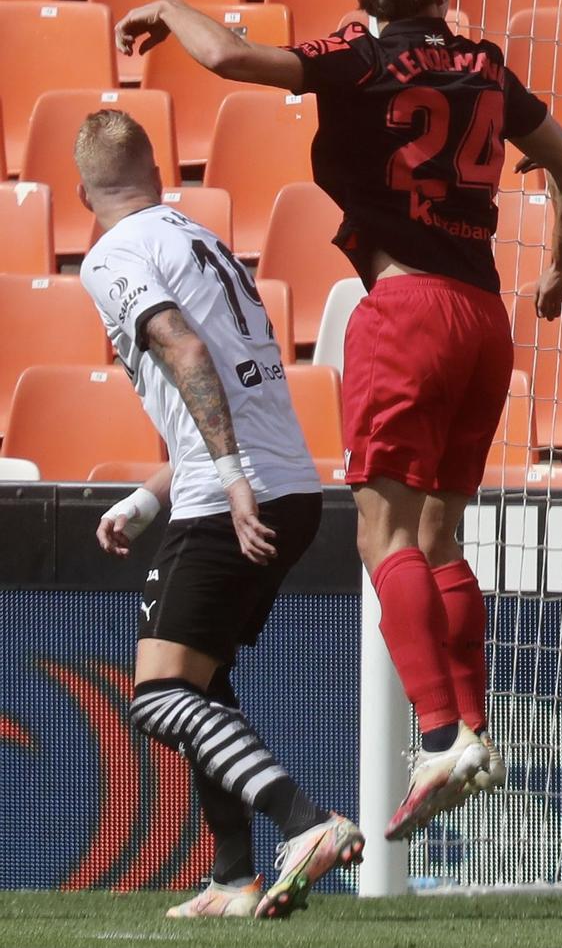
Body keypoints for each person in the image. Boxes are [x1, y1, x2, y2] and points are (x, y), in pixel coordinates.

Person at [114, 0, 562, 841]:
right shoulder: (487, 65)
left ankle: (442, 733)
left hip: (405, 311)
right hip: (486, 318)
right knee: (442, 536)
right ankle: (473, 728)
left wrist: (173, 2)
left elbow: (233, 60)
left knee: (384, 539)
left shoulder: (360, 59)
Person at [77, 111, 359, 919]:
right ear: (158, 173)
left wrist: (230, 481)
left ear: (81, 191)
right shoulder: (195, 241)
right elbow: (219, 391)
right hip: (284, 485)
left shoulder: (114, 255)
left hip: (233, 494)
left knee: (159, 696)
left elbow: (184, 353)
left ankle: (305, 823)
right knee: (207, 685)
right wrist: (143, 499)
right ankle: (234, 875)